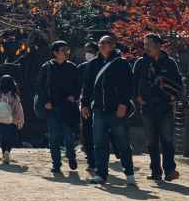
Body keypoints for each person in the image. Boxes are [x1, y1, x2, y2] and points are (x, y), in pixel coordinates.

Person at [85, 35, 136, 186]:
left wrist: (123, 104)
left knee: (122, 142)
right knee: (99, 142)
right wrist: (84, 104)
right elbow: (87, 86)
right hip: (99, 109)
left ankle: (129, 173)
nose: (102, 45)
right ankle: (101, 174)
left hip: (116, 109)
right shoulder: (93, 64)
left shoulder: (121, 63)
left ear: (113, 45)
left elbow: (128, 86)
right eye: (100, 43)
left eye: (106, 43)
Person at [132, 32, 183, 182]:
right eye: (145, 44)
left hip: (165, 106)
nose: (146, 47)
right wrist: (137, 98)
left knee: (167, 139)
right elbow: (133, 83)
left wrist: (175, 96)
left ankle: (170, 170)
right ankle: (155, 171)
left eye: (149, 44)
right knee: (151, 141)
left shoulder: (170, 62)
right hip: (147, 106)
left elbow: (178, 83)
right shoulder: (141, 62)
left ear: (158, 45)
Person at [35, 41, 81, 175]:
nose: (66, 52)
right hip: (52, 107)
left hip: (67, 107)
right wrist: (45, 101)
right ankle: (56, 164)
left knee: (69, 135)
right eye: (63, 50)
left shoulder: (72, 67)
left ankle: (71, 157)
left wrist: (74, 95)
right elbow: (40, 87)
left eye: (67, 49)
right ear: (55, 53)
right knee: (53, 137)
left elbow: (78, 85)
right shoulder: (47, 67)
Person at [0, 75, 26, 165]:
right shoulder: (14, 96)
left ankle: (4, 153)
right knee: (11, 137)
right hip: (11, 120)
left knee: (3, 137)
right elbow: (18, 108)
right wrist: (21, 119)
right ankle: (7, 151)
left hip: (0, 120)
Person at [77, 41, 100, 174]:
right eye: (86, 50)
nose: (87, 53)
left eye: (90, 51)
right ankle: (91, 161)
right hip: (86, 103)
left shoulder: (102, 65)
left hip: (101, 104)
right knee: (87, 131)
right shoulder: (81, 67)